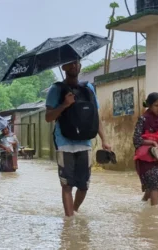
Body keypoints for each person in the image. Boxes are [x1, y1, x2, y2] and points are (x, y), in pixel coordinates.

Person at [45, 60, 111, 217]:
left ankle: (74, 211)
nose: (74, 65)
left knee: (84, 186)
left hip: (85, 143)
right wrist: (64, 105)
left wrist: (105, 139)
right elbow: (48, 117)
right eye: (70, 63)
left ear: (80, 66)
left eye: (77, 62)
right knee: (67, 185)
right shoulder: (56, 89)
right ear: (64, 67)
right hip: (64, 143)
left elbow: (96, 116)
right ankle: (69, 222)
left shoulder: (88, 89)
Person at [133, 92, 158, 206]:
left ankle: (143, 204)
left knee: (152, 185)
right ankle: (155, 213)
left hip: (157, 158)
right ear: (150, 105)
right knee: (154, 183)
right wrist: (152, 142)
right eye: (156, 106)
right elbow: (136, 140)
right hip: (145, 158)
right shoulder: (142, 119)